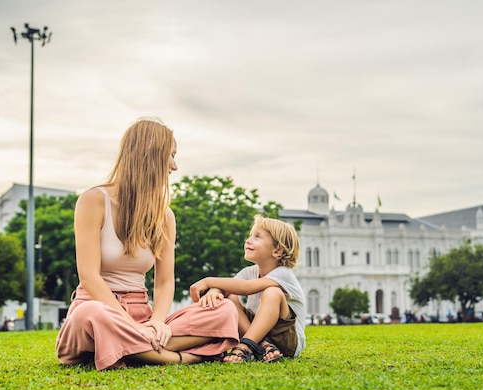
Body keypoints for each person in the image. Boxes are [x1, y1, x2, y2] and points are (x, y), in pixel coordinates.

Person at [56, 117, 239, 371]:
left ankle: (128, 349)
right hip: (99, 310)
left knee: (225, 310)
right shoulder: (93, 200)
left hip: (144, 314)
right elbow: (88, 276)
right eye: (170, 155)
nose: (174, 166)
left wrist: (157, 322)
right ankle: (175, 356)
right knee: (92, 315)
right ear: (150, 155)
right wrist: (131, 326)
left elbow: (164, 282)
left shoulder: (164, 216)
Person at [190, 215, 306, 363]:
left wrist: (208, 281)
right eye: (250, 235)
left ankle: (245, 345)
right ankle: (262, 345)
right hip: (262, 335)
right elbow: (229, 287)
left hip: (287, 339)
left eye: (257, 237)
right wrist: (215, 291)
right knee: (230, 296)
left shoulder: (284, 273)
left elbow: (245, 288)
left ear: (277, 250)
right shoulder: (250, 272)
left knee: (272, 292)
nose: (248, 240)